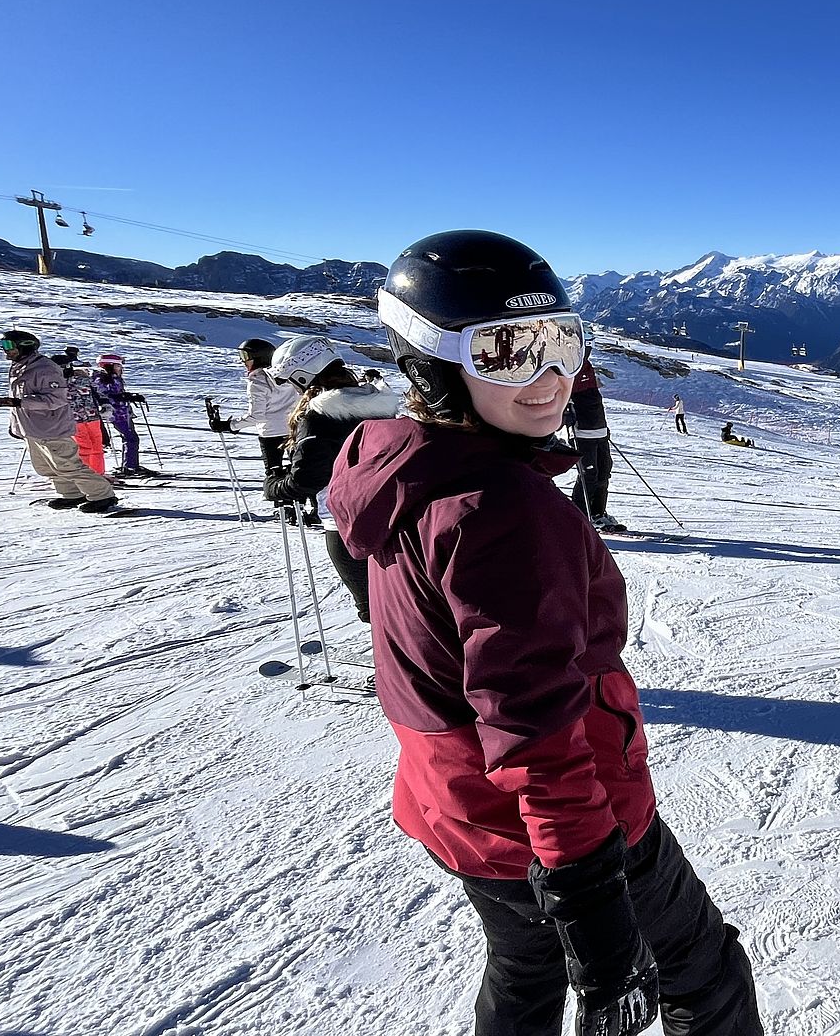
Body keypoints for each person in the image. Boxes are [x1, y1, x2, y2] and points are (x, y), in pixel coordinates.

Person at [326, 230, 761, 1036]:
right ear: (432, 362)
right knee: (705, 974)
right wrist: (594, 910)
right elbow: (535, 730)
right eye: (507, 352)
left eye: (563, 342)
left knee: (525, 974)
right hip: (572, 829)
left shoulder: (392, 462)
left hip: (459, 810)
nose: (552, 376)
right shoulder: (502, 511)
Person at [261, 336, 399, 624]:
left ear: (303, 376)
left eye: (293, 381)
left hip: (346, 523)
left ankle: (391, 652)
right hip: (397, 515)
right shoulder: (380, 403)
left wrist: (274, 486)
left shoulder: (319, 416)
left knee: (374, 609)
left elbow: (308, 478)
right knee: (401, 601)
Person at [0, 330, 117, 512]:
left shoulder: (45, 368)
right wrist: (15, 425)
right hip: (32, 428)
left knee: (69, 465)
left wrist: (17, 402)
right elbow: (20, 399)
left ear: (25, 346)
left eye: (8, 345)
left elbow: (56, 399)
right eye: (3, 345)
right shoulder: (21, 367)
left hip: (51, 428)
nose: (4, 349)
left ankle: (103, 495)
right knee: (46, 467)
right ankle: (72, 494)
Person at [209, 338, 299, 477]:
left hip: (270, 434)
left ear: (259, 358)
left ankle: (279, 488)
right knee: (300, 471)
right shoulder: (289, 375)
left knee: (273, 474)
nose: (243, 361)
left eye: (246, 356)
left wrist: (229, 425)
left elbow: (257, 416)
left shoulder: (257, 382)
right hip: (294, 430)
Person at [565, 348, 622, 533]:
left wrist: (604, 429)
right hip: (582, 434)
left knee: (604, 472)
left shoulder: (586, 367)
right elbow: (558, 397)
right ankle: (580, 516)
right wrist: (565, 414)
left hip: (600, 432)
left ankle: (598, 514)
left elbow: (596, 401)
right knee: (589, 476)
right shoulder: (567, 368)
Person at [91, 353, 149, 477]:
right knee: (131, 438)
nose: (120, 368)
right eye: (118, 366)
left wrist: (130, 397)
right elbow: (104, 396)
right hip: (115, 413)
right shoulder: (101, 379)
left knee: (130, 437)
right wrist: (122, 397)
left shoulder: (112, 378)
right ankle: (130, 466)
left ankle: (130, 465)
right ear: (109, 365)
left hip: (122, 412)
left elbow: (116, 394)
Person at [62, 351, 107, 476]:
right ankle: (86, 475)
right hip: (76, 418)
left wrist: (104, 404)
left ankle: (98, 473)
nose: (86, 372)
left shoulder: (87, 381)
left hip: (91, 416)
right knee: (84, 447)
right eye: (83, 370)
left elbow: (98, 393)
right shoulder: (63, 382)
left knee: (96, 446)